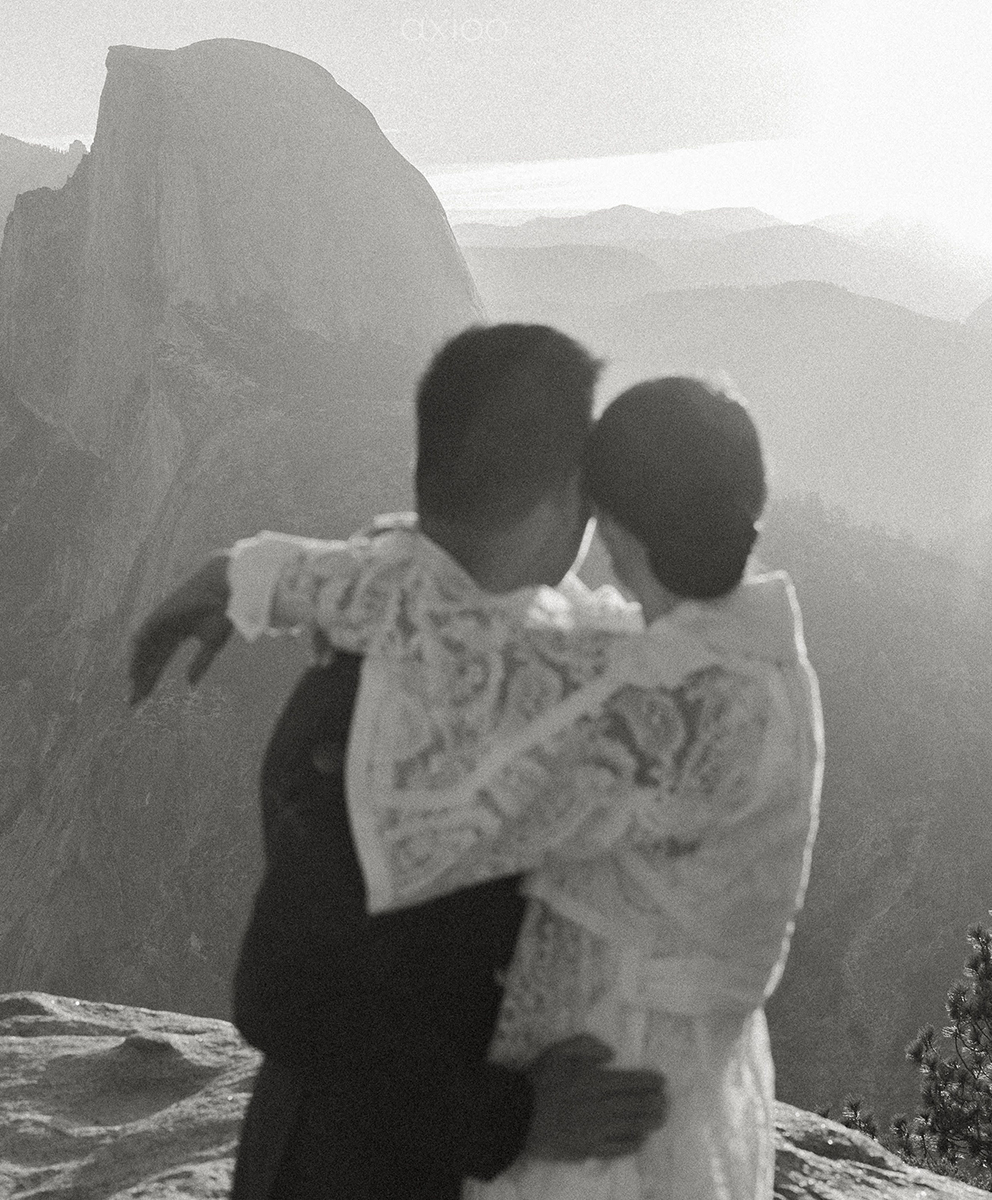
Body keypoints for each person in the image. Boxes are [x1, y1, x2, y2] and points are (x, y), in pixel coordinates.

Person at [172, 376, 824, 1198]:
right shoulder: (725, 658)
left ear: (615, 528)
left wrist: (263, 582)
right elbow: (508, 632)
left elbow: (478, 662)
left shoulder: (683, 703)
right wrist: (261, 578)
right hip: (624, 1087)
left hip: (606, 1112)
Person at [130, 324, 670, 1200]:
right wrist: (512, 1119)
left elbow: (427, 580)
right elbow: (285, 995)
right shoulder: (385, 721)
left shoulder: (436, 629)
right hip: (352, 1175)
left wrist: (255, 574)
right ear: (571, 496)